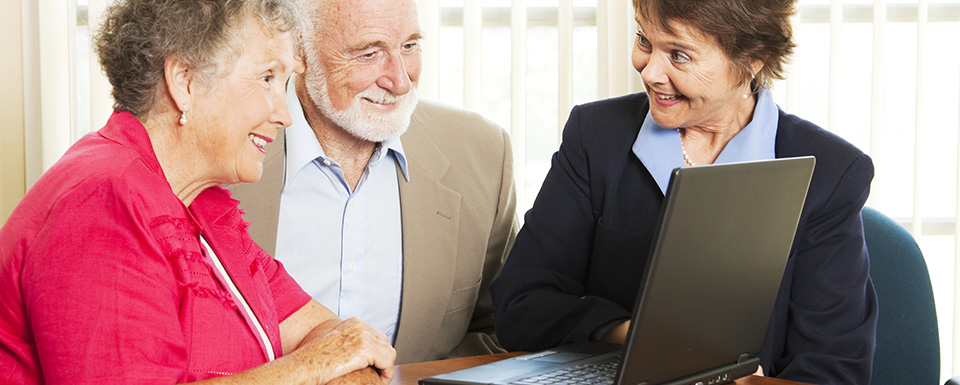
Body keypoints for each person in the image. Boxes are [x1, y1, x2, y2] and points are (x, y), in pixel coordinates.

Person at [0, 0, 395, 383]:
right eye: (267, 78)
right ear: (185, 81)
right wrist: (312, 367)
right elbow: (328, 352)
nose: (285, 115)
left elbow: (330, 334)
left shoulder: (200, 205)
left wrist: (335, 362)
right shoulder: (103, 202)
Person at [490, 0, 878, 384]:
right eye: (645, 40)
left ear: (753, 59)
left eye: (679, 54)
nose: (650, 70)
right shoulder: (595, 136)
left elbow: (834, 367)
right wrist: (637, 337)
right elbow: (521, 303)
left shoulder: (830, 173)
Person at [229, 0, 519, 364]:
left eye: (410, 46)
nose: (400, 81)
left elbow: (504, 330)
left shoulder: (484, 154)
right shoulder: (221, 155)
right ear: (297, 51)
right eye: (369, 53)